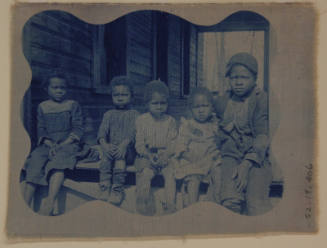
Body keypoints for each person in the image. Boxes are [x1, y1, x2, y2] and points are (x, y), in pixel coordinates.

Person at [210, 52, 272, 215]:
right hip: (230, 155)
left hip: (256, 157)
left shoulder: (261, 100)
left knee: (255, 202)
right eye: (233, 77)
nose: (237, 82)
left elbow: (262, 135)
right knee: (230, 200)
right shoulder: (223, 101)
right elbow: (213, 124)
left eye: (244, 77)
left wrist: (246, 164)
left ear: (254, 79)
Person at [23, 73, 84, 215]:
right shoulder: (43, 107)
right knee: (35, 161)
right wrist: (50, 144)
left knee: (58, 162)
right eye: (55, 87)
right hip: (48, 144)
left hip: (68, 143)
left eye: (62, 88)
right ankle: (25, 203)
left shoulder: (72, 105)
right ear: (47, 89)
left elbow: (78, 128)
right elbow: (41, 129)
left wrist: (62, 144)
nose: (59, 91)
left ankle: (50, 202)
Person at [173, 87, 222, 208]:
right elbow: (180, 143)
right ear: (190, 109)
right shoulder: (188, 125)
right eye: (197, 107)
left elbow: (220, 140)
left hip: (210, 159)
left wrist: (218, 146)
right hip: (193, 160)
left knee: (219, 174)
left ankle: (217, 203)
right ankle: (191, 206)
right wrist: (186, 154)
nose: (201, 111)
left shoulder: (214, 124)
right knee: (193, 181)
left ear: (211, 107)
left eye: (205, 106)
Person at [134, 80, 177, 215]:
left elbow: (174, 142)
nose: (159, 106)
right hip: (147, 155)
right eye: (155, 103)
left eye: (162, 103)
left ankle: (170, 205)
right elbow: (139, 143)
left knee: (170, 175)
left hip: (165, 156)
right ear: (147, 104)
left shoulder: (170, 121)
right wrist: (148, 155)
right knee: (145, 175)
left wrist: (166, 154)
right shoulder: (141, 120)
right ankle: (143, 204)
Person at [97, 76, 139, 205]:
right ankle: (104, 187)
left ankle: (117, 189)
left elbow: (133, 134)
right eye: (116, 95)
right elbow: (102, 133)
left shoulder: (134, 114)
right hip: (111, 148)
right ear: (112, 96)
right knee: (105, 158)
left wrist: (123, 145)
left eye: (124, 94)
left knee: (120, 159)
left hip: (128, 150)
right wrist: (104, 145)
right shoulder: (108, 114)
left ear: (131, 96)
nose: (120, 97)